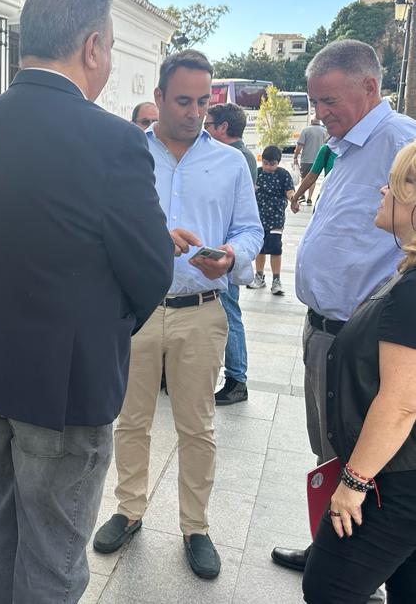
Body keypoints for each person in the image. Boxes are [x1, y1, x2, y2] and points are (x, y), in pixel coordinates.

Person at [0, 0, 173, 603]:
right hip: (62, 382)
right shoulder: (113, 139)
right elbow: (152, 269)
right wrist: (98, 321)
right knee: (55, 549)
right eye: (114, 48)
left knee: (0, 526)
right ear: (92, 45)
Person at [93, 49, 263, 580]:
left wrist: (232, 258)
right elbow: (102, 228)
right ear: (160, 98)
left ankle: (196, 526)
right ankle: (129, 509)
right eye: (183, 101)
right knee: (132, 420)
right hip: (137, 311)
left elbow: (251, 231)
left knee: (198, 426)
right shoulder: (126, 155)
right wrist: (150, 241)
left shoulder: (231, 162)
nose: (194, 112)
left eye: (203, 101)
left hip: (201, 311)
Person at [271, 40, 416, 575]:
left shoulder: (400, 142)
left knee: (364, 456)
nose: (319, 113)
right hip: (326, 330)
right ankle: (330, 544)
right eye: (314, 102)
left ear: (369, 87)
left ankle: (357, 566)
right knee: (329, 447)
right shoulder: (350, 143)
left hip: (368, 340)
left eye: (329, 100)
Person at [301, 141, 416, 602]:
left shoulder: (411, 293)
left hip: (395, 482)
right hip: (400, 475)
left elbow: (402, 403)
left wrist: (353, 484)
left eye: (395, 182)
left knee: (328, 586)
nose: (382, 189)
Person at [205, 102, 255, 405]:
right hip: (224, 254)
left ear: (223, 127)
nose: (205, 131)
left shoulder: (236, 159)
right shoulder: (242, 156)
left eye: (208, 124)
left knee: (229, 313)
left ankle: (237, 379)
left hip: (225, 255)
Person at [247, 145, 296, 296]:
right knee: (260, 248)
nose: (268, 167)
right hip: (258, 218)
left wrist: (294, 200)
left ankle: (276, 280)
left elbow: (289, 191)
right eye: (266, 163)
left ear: (278, 162)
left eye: (272, 164)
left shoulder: (283, 174)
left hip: (276, 218)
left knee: (275, 248)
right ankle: (259, 276)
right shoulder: (257, 173)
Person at [291, 142, 337, 213]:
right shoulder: (328, 150)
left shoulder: (359, 152)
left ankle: (309, 198)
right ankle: (308, 198)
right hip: (328, 200)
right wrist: (295, 198)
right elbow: (311, 177)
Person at [294, 118, 328, 205]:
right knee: (313, 179)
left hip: (306, 158)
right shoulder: (324, 131)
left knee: (304, 177)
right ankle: (309, 198)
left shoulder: (306, 130)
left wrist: (296, 156)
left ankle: (302, 196)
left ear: (311, 121)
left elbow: (300, 145)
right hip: (319, 159)